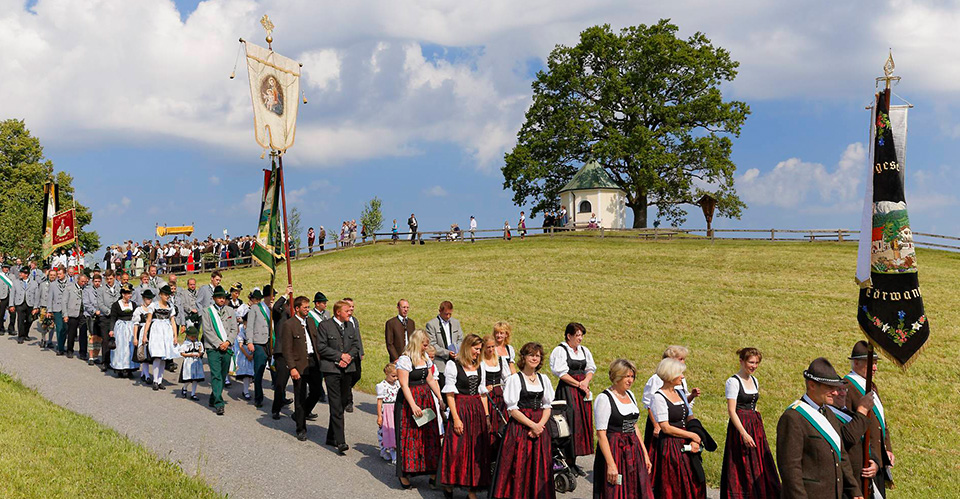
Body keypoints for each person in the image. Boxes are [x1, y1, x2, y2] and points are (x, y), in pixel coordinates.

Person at [777, 358, 862, 499]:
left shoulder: (829, 413)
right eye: (829, 387)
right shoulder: (793, 417)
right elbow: (790, 470)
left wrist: (854, 490)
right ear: (811, 385)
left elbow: (842, 456)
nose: (835, 392)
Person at [491, 342, 555, 499]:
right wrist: (532, 425)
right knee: (518, 466)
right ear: (524, 358)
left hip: (540, 429)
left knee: (539, 467)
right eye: (531, 355)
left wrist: (540, 426)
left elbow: (547, 406)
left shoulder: (543, 379)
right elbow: (512, 410)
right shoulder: (515, 379)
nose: (534, 358)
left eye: (537, 356)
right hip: (520, 429)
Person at [720, 348, 781, 498]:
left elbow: (754, 405)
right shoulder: (733, 382)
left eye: (756, 363)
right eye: (751, 362)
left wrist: (757, 427)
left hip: (754, 425)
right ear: (742, 361)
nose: (754, 366)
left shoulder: (754, 380)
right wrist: (744, 434)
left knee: (758, 461)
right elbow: (732, 411)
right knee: (741, 464)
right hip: (740, 426)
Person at [594, 358, 654, 499]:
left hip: (633, 449)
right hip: (615, 449)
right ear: (617, 376)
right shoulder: (604, 398)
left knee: (637, 488)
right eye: (627, 376)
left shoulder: (630, 395)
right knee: (616, 491)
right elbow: (601, 434)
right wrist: (611, 464)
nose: (630, 380)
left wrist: (645, 454)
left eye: (632, 376)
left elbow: (634, 426)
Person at [438, 334, 490, 498]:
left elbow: (482, 394)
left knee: (476, 451)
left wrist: (487, 417)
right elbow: (450, 394)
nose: (478, 352)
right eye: (476, 349)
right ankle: (449, 484)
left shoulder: (480, 366)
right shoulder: (453, 366)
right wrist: (456, 418)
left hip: (477, 412)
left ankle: (471, 490)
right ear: (468, 347)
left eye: (479, 349)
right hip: (461, 408)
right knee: (457, 450)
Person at [843, 341, 894, 498]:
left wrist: (887, 448)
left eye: (876, 363)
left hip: (877, 460)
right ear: (856, 363)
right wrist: (870, 457)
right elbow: (851, 428)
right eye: (870, 363)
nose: (875, 368)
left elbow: (881, 421)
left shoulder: (871, 386)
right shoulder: (847, 388)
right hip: (864, 462)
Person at [650, 358, 705, 499]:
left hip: (686, 442)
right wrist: (691, 436)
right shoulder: (659, 397)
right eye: (679, 373)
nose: (683, 376)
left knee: (694, 480)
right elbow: (666, 428)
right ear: (670, 375)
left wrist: (695, 437)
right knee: (675, 484)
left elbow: (688, 416)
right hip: (671, 446)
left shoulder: (680, 393)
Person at [395, 330, 444, 489]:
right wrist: (413, 405)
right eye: (424, 344)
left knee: (430, 435)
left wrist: (440, 398)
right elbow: (404, 385)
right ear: (417, 343)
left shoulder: (425, 358)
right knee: (410, 436)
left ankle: (432, 473)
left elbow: (430, 379)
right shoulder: (405, 359)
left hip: (425, 398)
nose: (426, 347)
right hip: (410, 400)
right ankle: (405, 474)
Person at [550, 322, 596, 475]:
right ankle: (565, 460)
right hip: (568, 391)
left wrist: (586, 382)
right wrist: (578, 384)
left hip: (582, 391)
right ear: (568, 336)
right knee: (569, 422)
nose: (580, 338)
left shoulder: (584, 351)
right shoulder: (560, 350)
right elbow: (561, 373)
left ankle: (574, 461)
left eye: (582, 335)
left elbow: (590, 369)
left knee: (581, 424)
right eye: (577, 335)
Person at [316, 299, 362, 453]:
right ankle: (340, 441)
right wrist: (339, 357)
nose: (351, 313)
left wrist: (348, 357)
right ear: (338, 312)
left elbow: (356, 345)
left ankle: (331, 435)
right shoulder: (325, 326)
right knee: (335, 405)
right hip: (332, 370)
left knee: (341, 404)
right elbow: (321, 347)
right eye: (347, 311)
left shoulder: (350, 325)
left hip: (347, 369)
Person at [281, 296, 325, 441]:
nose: (307, 310)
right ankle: (301, 428)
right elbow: (287, 349)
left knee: (317, 391)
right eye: (305, 307)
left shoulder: (311, 322)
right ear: (297, 308)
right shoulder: (289, 324)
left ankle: (301, 414)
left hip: (313, 362)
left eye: (308, 307)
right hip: (299, 364)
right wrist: (292, 368)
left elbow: (316, 340)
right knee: (299, 396)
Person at [642, 346, 701, 450]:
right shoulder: (657, 379)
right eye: (680, 359)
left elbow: (680, 403)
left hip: (677, 425)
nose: (683, 362)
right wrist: (656, 426)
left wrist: (691, 396)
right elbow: (650, 404)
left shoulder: (681, 380)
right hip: (662, 424)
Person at [829, 381, 879, 499]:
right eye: (838, 390)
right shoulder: (828, 416)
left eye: (844, 390)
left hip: (863, 483)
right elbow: (848, 438)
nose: (842, 393)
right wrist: (862, 410)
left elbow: (867, 442)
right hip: (846, 486)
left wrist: (875, 463)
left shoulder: (850, 415)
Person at [201, 285, 238, 416]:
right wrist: (219, 344)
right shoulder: (207, 311)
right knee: (216, 375)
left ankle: (213, 397)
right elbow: (207, 331)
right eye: (219, 297)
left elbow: (234, 329)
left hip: (227, 347)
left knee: (223, 375)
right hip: (213, 348)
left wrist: (228, 342)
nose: (222, 299)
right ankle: (219, 403)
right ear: (214, 298)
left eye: (223, 297)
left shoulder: (230, 311)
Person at [144, 286, 178, 391]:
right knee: (157, 355)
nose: (167, 297)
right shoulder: (154, 305)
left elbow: (173, 321)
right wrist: (145, 334)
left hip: (166, 330)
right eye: (165, 294)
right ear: (160, 295)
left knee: (164, 356)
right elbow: (148, 320)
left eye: (168, 295)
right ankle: (155, 380)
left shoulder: (170, 306)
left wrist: (175, 335)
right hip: (157, 330)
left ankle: (160, 380)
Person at [425, 300, 463, 387]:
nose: (448, 316)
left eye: (450, 314)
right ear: (440, 311)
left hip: (456, 362)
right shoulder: (431, 325)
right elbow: (432, 344)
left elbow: (460, 339)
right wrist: (447, 353)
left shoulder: (455, 323)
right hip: (440, 363)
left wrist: (457, 351)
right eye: (446, 314)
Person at [270, 284, 295, 419]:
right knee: (281, 383)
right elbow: (275, 307)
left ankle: (302, 411)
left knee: (301, 386)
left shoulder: (297, 318)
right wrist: (285, 294)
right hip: (282, 353)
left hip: (296, 353)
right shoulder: (280, 316)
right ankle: (276, 409)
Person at [244, 288, 271, 408]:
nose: (273, 298)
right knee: (259, 371)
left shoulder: (272, 308)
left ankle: (281, 397)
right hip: (259, 342)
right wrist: (249, 341)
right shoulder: (255, 308)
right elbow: (249, 326)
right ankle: (258, 397)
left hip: (271, 343)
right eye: (271, 295)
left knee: (276, 372)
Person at [481, 335, 509, 440]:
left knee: (501, 420)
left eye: (493, 347)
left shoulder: (500, 360)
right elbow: (480, 380)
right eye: (488, 347)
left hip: (499, 394)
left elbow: (507, 378)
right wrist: (485, 387)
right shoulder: (481, 362)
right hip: (487, 396)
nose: (491, 349)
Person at [304, 291, 330, 403]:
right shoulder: (310, 315)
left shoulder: (327, 314)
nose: (325, 305)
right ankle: (320, 391)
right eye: (323, 303)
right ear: (317, 304)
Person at [342, 297, 364, 413]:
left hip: (356, 353)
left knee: (357, 375)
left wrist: (361, 351)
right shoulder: (341, 321)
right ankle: (348, 402)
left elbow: (358, 337)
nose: (351, 308)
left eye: (353, 306)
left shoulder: (354, 320)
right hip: (347, 354)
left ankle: (345, 389)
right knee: (349, 376)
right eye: (349, 306)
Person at [97, 270, 122, 369]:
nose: (109, 281)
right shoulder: (101, 290)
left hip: (116, 317)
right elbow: (100, 303)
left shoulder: (119, 288)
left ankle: (115, 361)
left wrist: (117, 312)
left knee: (116, 339)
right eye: (107, 279)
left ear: (114, 278)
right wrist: (109, 312)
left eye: (111, 279)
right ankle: (105, 361)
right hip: (105, 317)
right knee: (106, 340)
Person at [376, 363, 400, 463]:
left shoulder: (397, 384)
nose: (395, 378)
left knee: (396, 430)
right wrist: (379, 416)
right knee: (387, 431)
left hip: (396, 408)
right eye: (393, 376)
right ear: (387, 373)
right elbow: (379, 402)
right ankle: (386, 450)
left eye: (397, 376)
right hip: (387, 410)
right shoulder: (382, 386)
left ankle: (394, 451)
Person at [10, 267, 38, 344]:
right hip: (20, 303)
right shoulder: (16, 282)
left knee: (30, 320)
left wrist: (36, 307)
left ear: (26, 274)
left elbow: (36, 296)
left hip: (30, 304)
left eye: (22, 273)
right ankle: (21, 336)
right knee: (20, 320)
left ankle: (26, 333)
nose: (20, 274)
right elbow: (12, 294)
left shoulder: (34, 283)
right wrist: (11, 305)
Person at [133, 290, 154, 385]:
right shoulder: (139, 310)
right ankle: (147, 376)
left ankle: (143, 373)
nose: (149, 300)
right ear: (143, 299)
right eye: (147, 298)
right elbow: (136, 324)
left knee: (150, 354)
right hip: (142, 331)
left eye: (150, 298)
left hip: (152, 332)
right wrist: (135, 338)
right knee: (143, 354)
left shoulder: (153, 308)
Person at [64, 273, 87, 359]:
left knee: (83, 333)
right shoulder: (70, 288)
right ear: (78, 280)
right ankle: (70, 350)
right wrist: (65, 314)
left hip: (83, 314)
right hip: (73, 313)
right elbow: (64, 301)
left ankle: (83, 352)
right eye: (82, 281)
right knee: (71, 333)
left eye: (85, 281)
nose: (84, 283)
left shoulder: (87, 289)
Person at [177, 326, 204, 400]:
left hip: (196, 362)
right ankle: (185, 387)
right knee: (188, 378)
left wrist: (200, 354)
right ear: (188, 336)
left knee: (195, 378)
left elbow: (201, 351)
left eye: (195, 336)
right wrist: (190, 354)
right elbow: (182, 353)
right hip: (188, 362)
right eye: (192, 336)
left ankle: (193, 393)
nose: (194, 338)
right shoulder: (186, 343)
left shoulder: (198, 343)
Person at [48, 266, 70, 355]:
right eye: (58, 274)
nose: (58, 275)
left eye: (60, 274)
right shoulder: (53, 284)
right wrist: (49, 310)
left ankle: (62, 345)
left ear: (65, 274)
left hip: (67, 308)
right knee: (59, 328)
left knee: (65, 328)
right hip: (57, 308)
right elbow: (50, 298)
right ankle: (60, 348)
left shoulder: (70, 284)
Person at [83, 274, 102, 364]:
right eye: (95, 281)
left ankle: (96, 356)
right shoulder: (87, 290)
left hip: (101, 315)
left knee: (99, 337)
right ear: (92, 281)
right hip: (91, 315)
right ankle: (90, 357)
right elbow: (86, 304)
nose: (97, 283)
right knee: (92, 336)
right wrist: (94, 311)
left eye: (99, 281)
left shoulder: (103, 290)